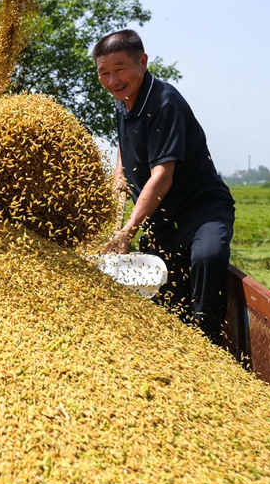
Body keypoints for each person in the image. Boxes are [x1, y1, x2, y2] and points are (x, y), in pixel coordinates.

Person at [95, 30, 235, 344]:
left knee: (207, 257)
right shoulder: (125, 102)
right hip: (162, 218)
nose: (112, 80)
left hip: (200, 209)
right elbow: (124, 143)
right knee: (163, 293)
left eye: (120, 69)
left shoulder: (164, 103)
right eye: (104, 72)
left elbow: (162, 175)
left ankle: (209, 347)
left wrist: (128, 230)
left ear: (142, 62)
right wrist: (119, 176)